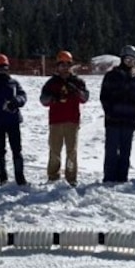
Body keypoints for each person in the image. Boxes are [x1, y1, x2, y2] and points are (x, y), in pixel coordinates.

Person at [39, 50, 89, 186]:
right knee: (55, 151)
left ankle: (71, 178)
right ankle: (53, 176)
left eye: (67, 65)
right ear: (57, 66)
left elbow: (85, 98)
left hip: (72, 121)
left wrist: (77, 91)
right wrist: (53, 98)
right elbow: (43, 100)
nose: (65, 68)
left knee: (71, 152)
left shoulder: (78, 82)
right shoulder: (51, 83)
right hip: (55, 122)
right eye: (62, 65)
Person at [100, 44, 135, 182]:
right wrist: (110, 112)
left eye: (132, 59)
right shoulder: (112, 76)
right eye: (127, 59)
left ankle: (122, 177)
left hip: (129, 122)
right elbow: (104, 97)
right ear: (122, 58)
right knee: (111, 151)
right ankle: (109, 178)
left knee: (125, 152)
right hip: (113, 121)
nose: (129, 62)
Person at [0, 53, 27, 186]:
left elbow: (23, 96)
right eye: (0, 69)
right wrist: (1, 106)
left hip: (13, 121)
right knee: (0, 150)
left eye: (5, 69)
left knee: (17, 150)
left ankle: (20, 177)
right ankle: (3, 177)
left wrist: (16, 101)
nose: (3, 71)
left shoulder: (13, 82)